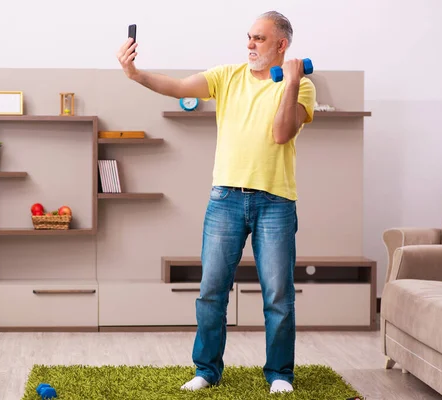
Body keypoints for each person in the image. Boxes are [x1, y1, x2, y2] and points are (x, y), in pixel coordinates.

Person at [117, 11, 316, 394]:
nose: (249, 45)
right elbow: (178, 87)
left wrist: (290, 84)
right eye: (249, 37)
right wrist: (135, 74)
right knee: (211, 290)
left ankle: (279, 375)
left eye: (259, 38)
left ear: (282, 45)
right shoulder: (227, 76)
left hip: (275, 202)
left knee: (278, 296)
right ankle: (206, 370)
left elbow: (280, 134)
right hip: (225, 198)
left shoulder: (302, 87)